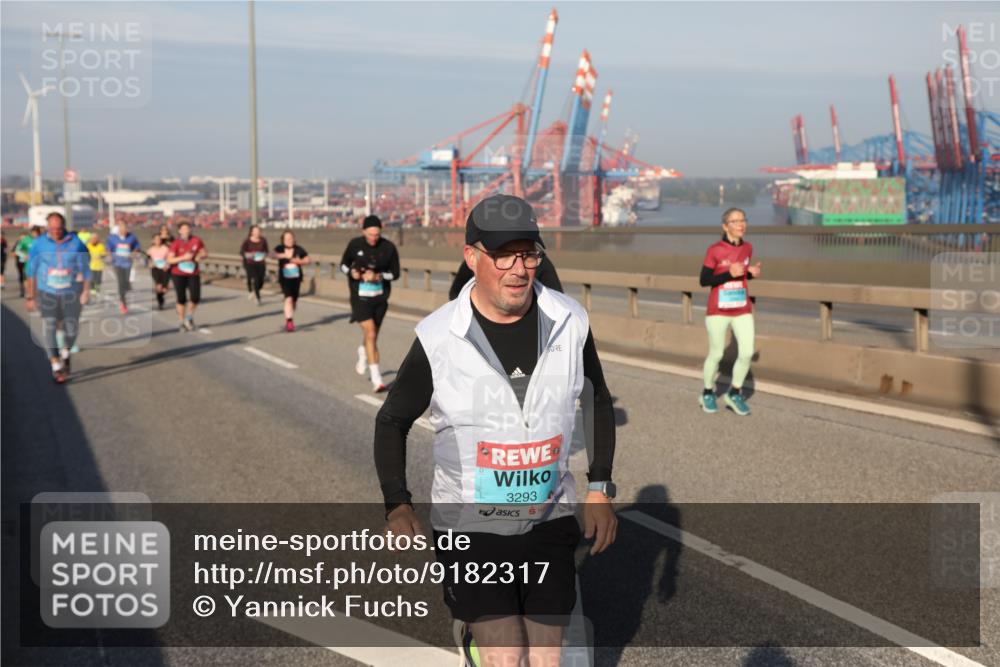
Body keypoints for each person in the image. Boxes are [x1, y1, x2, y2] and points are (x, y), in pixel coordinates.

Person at [374, 194, 618, 667]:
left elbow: (598, 399)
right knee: (507, 657)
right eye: (503, 254)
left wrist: (600, 488)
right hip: (470, 526)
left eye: (529, 253)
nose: (519, 268)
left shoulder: (570, 320)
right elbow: (392, 420)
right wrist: (396, 503)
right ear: (472, 257)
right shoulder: (438, 337)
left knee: (548, 659)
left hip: (549, 517)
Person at [699, 207, 761, 416]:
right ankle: (707, 392)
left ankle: (734, 393)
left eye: (743, 220)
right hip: (718, 310)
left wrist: (750, 274)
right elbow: (704, 280)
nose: (741, 224)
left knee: (746, 352)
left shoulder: (748, 248)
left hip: (742, 308)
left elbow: (741, 275)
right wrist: (728, 273)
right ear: (725, 226)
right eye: (735, 221)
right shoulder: (714, 250)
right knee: (716, 353)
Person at [24, 212, 91, 383]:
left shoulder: (76, 243)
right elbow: (31, 272)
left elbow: (86, 268)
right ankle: (55, 365)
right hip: (47, 292)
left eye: (59, 228)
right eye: (52, 228)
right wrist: (30, 296)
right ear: (47, 227)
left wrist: (86, 291)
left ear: (64, 226)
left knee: (71, 328)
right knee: (50, 325)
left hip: (71, 292)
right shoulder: (39, 244)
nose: (55, 231)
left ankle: (66, 352)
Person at [339, 215, 400, 392]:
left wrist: (378, 276)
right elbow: (342, 265)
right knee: (371, 332)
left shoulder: (388, 248)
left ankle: (363, 351)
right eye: (370, 234)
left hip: (380, 298)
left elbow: (395, 274)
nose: (374, 238)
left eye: (377, 234)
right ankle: (377, 379)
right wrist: (352, 273)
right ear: (363, 231)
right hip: (359, 297)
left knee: (372, 336)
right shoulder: (354, 244)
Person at [448, 253, 563, 300]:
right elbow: (456, 294)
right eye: (503, 257)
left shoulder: (540, 260)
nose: (520, 271)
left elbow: (557, 301)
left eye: (527, 257)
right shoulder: (479, 258)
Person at [167, 221, 208, 332]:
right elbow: (170, 260)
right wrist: (183, 258)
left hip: (193, 273)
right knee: (181, 299)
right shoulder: (175, 243)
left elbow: (204, 252)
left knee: (195, 297)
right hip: (178, 273)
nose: (186, 230)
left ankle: (189, 317)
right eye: (184, 229)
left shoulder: (197, 240)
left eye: (188, 228)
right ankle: (181, 321)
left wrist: (200, 256)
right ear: (180, 231)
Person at [274, 231, 310, 332]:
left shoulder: (299, 249)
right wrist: (283, 255)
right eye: (286, 238)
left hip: (296, 278)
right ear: (283, 240)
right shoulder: (280, 248)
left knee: (293, 301)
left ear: (294, 239)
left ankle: (290, 313)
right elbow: (272, 254)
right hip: (284, 278)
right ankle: (289, 321)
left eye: (290, 238)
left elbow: (308, 260)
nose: (289, 240)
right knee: (288, 298)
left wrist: (299, 261)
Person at [105, 221, 142, 314]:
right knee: (121, 282)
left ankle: (127, 287)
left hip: (128, 263)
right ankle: (123, 302)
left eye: (125, 228)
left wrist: (134, 253)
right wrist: (110, 256)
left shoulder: (132, 237)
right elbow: (108, 248)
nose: (124, 230)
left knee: (126, 283)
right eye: (122, 228)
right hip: (117, 263)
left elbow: (137, 247)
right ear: (118, 229)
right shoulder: (112, 238)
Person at [240, 224, 269, 304]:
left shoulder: (263, 240)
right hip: (250, 263)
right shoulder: (247, 241)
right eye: (255, 231)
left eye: (258, 231)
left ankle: (256, 290)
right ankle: (257, 297)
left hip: (261, 263)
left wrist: (264, 255)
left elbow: (266, 251)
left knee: (261, 281)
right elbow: (242, 252)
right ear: (251, 232)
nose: (257, 232)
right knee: (255, 278)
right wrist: (250, 255)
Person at [146, 234, 172, 310]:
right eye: (156, 239)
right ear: (153, 241)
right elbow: (148, 259)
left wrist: (167, 265)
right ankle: (160, 303)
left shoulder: (166, 248)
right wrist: (150, 264)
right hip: (155, 269)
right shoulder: (151, 249)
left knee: (165, 289)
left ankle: (161, 296)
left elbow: (170, 258)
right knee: (158, 286)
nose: (157, 241)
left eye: (159, 239)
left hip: (165, 269)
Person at [14, 227, 41, 297]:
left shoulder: (42, 240)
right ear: (31, 233)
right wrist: (24, 255)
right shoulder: (26, 240)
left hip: (40, 264)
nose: (35, 235)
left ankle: (36, 292)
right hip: (29, 264)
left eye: (37, 233)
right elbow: (17, 250)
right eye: (34, 233)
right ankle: (29, 292)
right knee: (29, 279)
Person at [85, 232, 106, 296]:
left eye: (95, 239)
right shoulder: (88, 246)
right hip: (90, 265)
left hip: (99, 266)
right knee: (92, 278)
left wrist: (101, 255)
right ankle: (92, 289)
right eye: (92, 239)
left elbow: (104, 254)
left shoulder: (101, 246)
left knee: (98, 280)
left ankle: (97, 288)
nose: (93, 240)